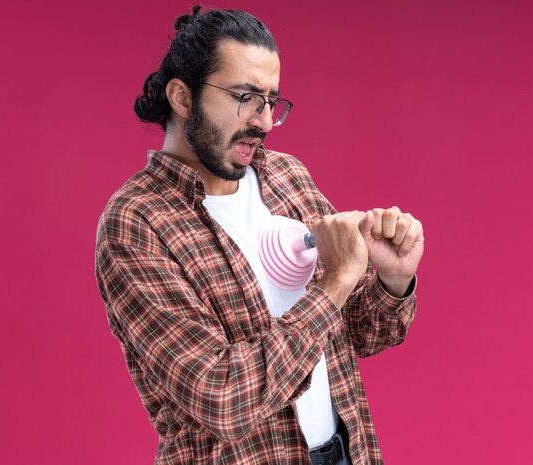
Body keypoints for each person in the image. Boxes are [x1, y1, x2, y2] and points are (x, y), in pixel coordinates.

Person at [95, 6, 424, 465]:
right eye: (245, 97)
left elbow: (355, 334)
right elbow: (223, 400)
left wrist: (392, 283)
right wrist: (334, 285)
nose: (265, 122)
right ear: (182, 97)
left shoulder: (288, 177)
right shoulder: (138, 222)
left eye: (270, 101)